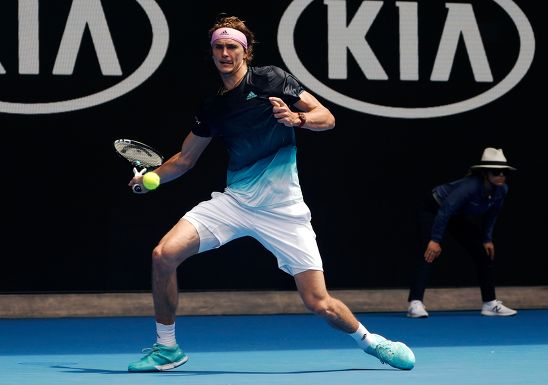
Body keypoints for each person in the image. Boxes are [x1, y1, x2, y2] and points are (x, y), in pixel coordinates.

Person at [126, 15, 415, 372]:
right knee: (163, 254)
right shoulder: (212, 107)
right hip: (236, 203)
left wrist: (298, 120)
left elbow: (327, 117)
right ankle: (167, 348)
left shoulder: (271, 79)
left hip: (284, 210)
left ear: (245, 52)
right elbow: (185, 159)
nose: (225, 52)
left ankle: (373, 343)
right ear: (212, 52)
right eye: (219, 46)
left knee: (318, 302)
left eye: (232, 46)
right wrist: (148, 178)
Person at [407, 147, 518, 318]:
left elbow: (492, 214)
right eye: (496, 172)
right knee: (428, 252)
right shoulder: (470, 187)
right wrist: (435, 240)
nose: (501, 176)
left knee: (483, 253)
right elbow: (445, 210)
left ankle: (489, 303)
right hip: (434, 208)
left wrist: (487, 238)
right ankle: (415, 303)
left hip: (455, 214)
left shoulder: (502, 190)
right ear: (485, 174)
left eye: (504, 172)